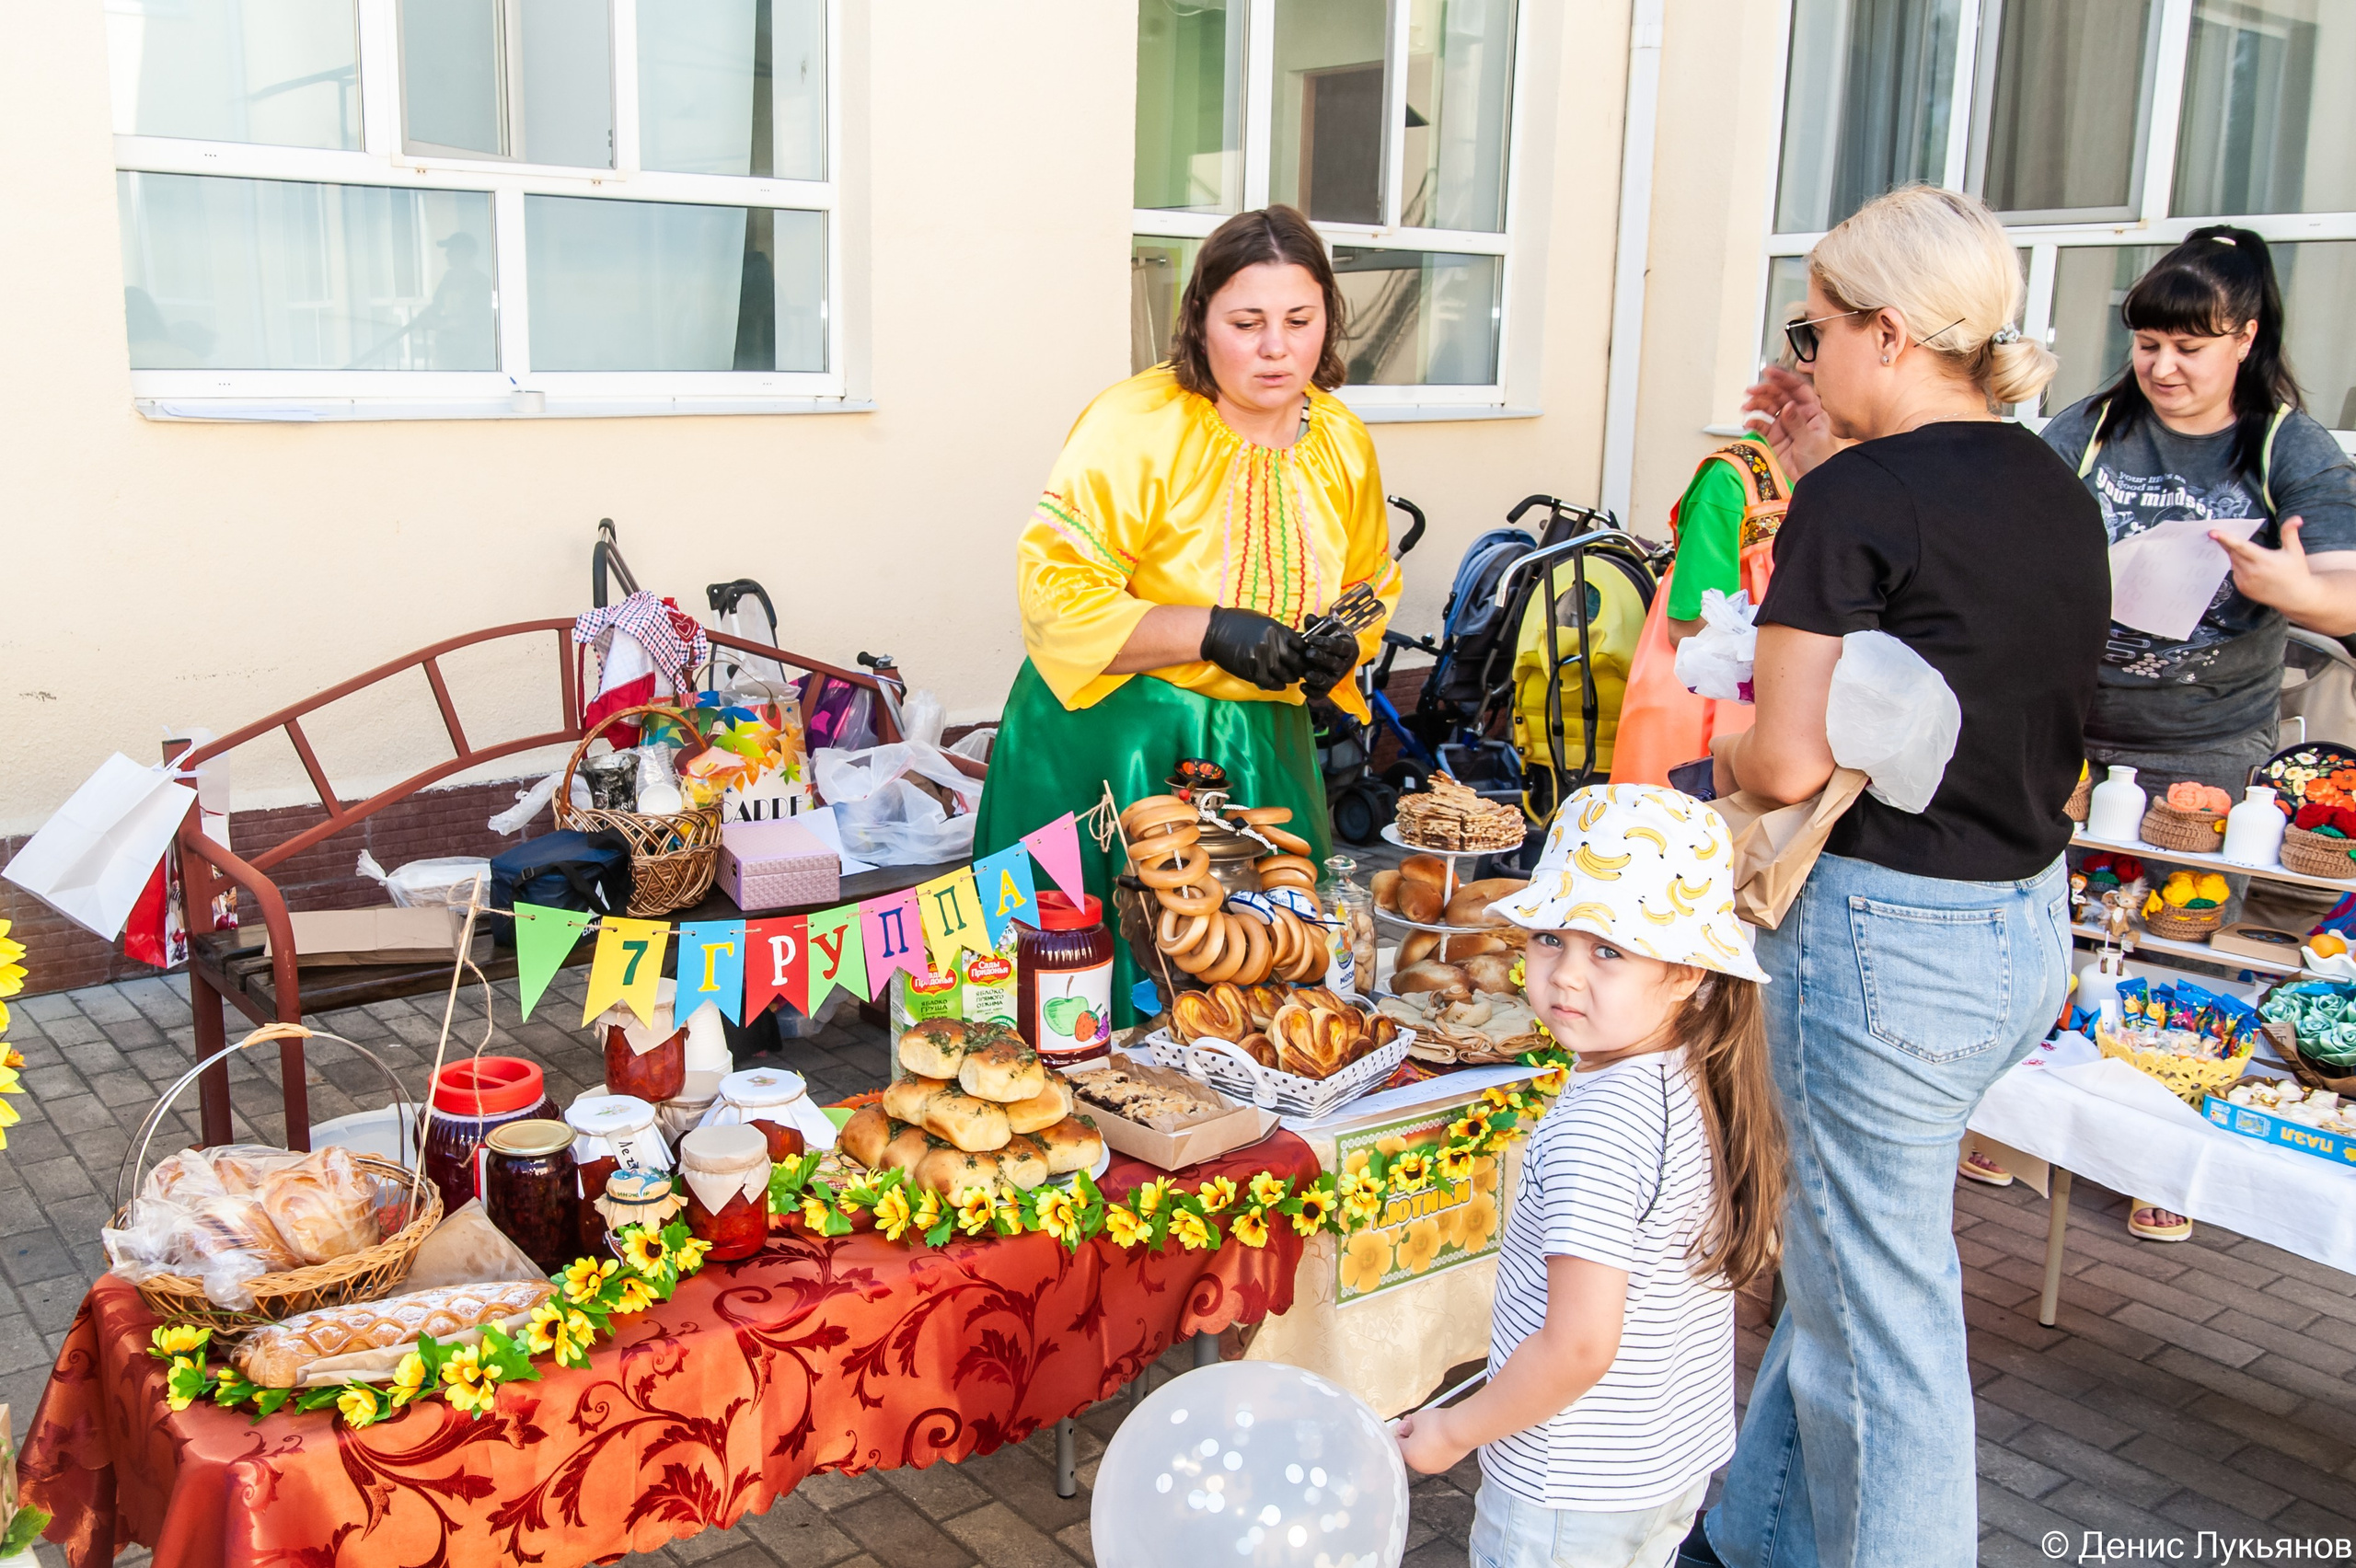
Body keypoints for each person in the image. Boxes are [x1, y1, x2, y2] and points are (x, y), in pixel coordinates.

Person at [1689, 186, 2109, 1568]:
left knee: (1885, 1331)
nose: (1802, 359)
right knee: (1845, 1271)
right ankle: (1750, 1541)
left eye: (1811, 331)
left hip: (1884, 943)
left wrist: (1713, 752)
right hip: (2018, 925)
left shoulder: (1858, 499)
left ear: (1887, 331)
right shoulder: (2053, 484)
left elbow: (1787, 762)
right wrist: (1826, 457)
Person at [970, 206, 1400, 1026]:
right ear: (1200, 320)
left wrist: (1340, 649)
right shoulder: (1135, 425)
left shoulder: (1343, 441)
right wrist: (1208, 630)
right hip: (1114, 743)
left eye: (1299, 320)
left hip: (1262, 745)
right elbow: (1054, 596)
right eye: (1247, 322)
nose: (1276, 348)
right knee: (1086, 989)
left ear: (1328, 321)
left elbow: (1370, 580)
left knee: (1260, 984)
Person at [2037, 228, 2356, 1242]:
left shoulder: (2284, 444)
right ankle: (2030, 1124)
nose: (2163, 368)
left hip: (2205, 746)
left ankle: (2163, 1151)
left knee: (2176, 953)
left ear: (2246, 337)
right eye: (2147, 345)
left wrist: (2294, 588)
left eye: (2190, 347)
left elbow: (2345, 589)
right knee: (2054, 935)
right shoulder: (2089, 428)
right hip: (2067, 734)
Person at [1393, 784, 1784, 1568]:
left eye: (1609, 950)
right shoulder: (1696, 1073)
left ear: (1688, 973)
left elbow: (1578, 1347)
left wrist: (1454, 1430)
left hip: (1570, 1485)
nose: (1567, 976)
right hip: (1665, 1462)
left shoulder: (1597, 1130)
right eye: (1550, 939)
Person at [1608, 421, 1797, 787]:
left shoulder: (1834, 470)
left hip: (1764, 695)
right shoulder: (1729, 478)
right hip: (1712, 698)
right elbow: (1692, 625)